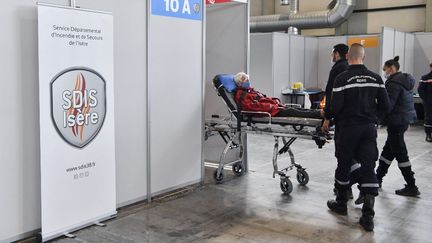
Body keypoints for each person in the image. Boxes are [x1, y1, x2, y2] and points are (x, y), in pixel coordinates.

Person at [324, 43, 390, 232]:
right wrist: (373, 117)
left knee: (344, 164)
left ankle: (341, 203)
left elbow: (334, 108)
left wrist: (328, 118)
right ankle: (368, 216)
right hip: (368, 129)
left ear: (348, 56)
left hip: (347, 129)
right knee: (369, 165)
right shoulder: (376, 78)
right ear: (364, 56)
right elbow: (386, 106)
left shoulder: (341, 78)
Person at [374, 56, 420, 197]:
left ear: (392, 68)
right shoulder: (403, 80)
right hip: (401, 120)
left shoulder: (394, 83)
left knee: (400, 152)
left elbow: (388, 105)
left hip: (396, 121)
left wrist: (376, 117)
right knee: (389, 150)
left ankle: (411, 185)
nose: (384, 72)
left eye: (385, 69)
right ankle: (377, 178)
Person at [322, 44, 360, 201]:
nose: (332, 55)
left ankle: (350, 188)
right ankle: (348, 188)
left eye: (333, 52)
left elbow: (332, 94)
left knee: (344, 156)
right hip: (357, 118)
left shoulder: (338, 69)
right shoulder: (351, 68)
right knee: (351, 155)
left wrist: (327, 117)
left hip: (342, 119)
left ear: (337, 54)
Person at [233, 72, 323, 119]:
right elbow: (251, 107)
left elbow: (263, 98)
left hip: (274, 108)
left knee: (295, 109)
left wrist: (274, 100)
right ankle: (318, 114)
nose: (248, 81)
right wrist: (270, 106)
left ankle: (318, 112)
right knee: (292, 111)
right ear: (240, 83)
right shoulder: (241, 95)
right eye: (245, 80)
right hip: (268, 112)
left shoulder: (250, 91)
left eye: (247, 79)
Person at [418, 63, 432, 142]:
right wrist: (426, 100)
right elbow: (420, 90)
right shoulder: (425, 77)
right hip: (429, 102)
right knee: (429, 118)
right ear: (430, 67)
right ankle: (428, 135)